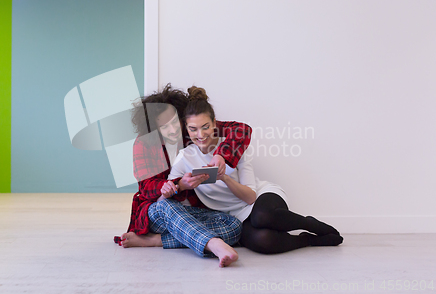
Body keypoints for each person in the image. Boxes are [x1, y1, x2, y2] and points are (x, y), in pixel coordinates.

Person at [163, 86, 343, 254]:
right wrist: (180, 185)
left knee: (262, 217)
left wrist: (225, 177)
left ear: (215, 125)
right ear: (186, 129)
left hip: (260, 198)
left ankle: (309, 223)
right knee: (263, 241)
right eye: (193, 129)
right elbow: (166, 193)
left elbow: (251, 197)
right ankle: (307, 240)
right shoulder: (184, 157)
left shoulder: (232, 147)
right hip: (234, 215)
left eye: (205, 127)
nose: (200, 135)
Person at [117, 84, 253, 267]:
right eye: (164, 126)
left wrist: (221, 155)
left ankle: (155, 241)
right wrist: (178, 185)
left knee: (234, 227)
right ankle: (214, 244)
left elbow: (241, 130)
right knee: (166, 204)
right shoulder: (144, 143)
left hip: (192, 211)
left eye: (175, 122)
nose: (173, 130)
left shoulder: (191, 131)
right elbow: (146, 187)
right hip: (158, 211)